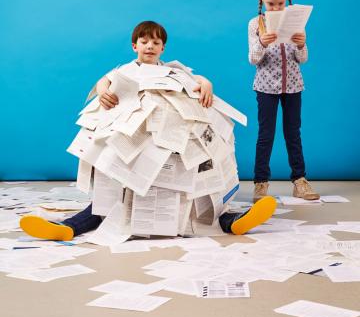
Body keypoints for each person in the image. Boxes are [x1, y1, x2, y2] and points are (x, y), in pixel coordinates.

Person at [20, 21, 276, 241]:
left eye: (155, 42)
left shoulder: (172, 70)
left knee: (198, 188)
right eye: (144, 42)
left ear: (163, 48)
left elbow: (197, 79)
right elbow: (105, 80)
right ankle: (68, 228)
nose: (150, 46)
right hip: (135, 140)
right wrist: (102, 90)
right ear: (135, 46)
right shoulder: (125, 70)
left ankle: (230, 220)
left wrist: (206, 83)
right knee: (109, 199)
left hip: (172, 143)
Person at [249, 0, 320, 203]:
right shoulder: (255, 24)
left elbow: (303, 58)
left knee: (293, 133)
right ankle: (260, 184)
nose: (276, 8)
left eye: (280, 3)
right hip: (266, 88)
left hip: (293, 86)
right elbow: (253, 59)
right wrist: (262, 42)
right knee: (266, 135)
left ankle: (299, 181)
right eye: (271, 4)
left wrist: (300, 44)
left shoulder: (296, 23)